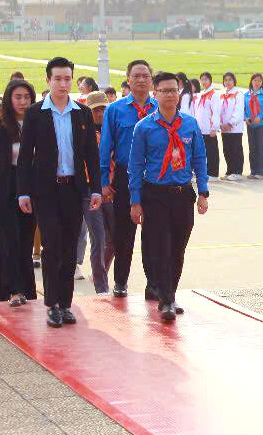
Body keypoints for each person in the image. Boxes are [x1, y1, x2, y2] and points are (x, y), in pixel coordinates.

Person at [17, 56, 102, 328]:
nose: (63, 84)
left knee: (68, 248)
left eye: (67, 79)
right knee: (51, 246)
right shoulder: (35, 113)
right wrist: (23, 192)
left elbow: (91, 154)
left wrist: (96, 189)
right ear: (48, 80)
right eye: (57, 79)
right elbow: (25, 157)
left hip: (73, 190)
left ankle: (66, 304)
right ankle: (51, 303)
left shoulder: (82, 113)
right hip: (46, 190)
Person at [128, 72, 210, 322]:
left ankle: (169, 294)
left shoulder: (189, 124)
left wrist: (203, 192)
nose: (170, 95)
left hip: (183, 193)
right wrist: (135, 201)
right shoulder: (144, 127)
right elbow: (135, 165)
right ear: (155, 94)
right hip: (155, 194)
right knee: (160, 248)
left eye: (174, 90)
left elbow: (199, 159)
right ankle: (166, 300)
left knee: (178, 249)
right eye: (164, 91)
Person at [0, 79, 38, 306]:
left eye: (27, 97)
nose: (23, 102)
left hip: (31, 187)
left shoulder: (37, 124)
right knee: (9, 239)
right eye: (18, 97)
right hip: (5, 188)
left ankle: (27, 288)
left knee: (26, 240)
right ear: (9, 99)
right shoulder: (0, 128)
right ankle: (13, 289)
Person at [100, 59, 156, 297]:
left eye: (145, 75)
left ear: (151, 79)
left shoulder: (160, 107)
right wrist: (104, 181)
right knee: (124, 233)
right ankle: (120, 282)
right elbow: (105, 147)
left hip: (154, 177)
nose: (141, 80)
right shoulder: (115, 110)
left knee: (155, 233)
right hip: (124, 176)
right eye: (137, 76)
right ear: (128, 79)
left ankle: (154, 284)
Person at [76, 90, 111, 294]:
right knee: (98, 237)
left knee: (114, 238)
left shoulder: (112, 130)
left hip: (112, 188)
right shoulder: (84, 133)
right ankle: (101, 287)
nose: (99, 114)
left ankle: (103, 275)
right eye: (95, 110)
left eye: (103, 109)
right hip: (90, 189)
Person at [191, 72, 221, 180]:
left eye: (205, 79)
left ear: (210, 81)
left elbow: (216, 112)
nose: (203, 82)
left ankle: (213, 173)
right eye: (202, 80)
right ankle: (206, 171)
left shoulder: (213, 94)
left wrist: (214, 128)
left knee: (212, 151)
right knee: (203, 152)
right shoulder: (202, 94)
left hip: (209, 129)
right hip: (201, 128)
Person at [245, 73, 263, 179]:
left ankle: (261, 172)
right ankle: (253, 171)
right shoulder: (246, 95)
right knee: (252, 148)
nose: (257, 83)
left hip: (261, 125)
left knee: (261, 148)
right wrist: (246, 117)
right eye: (255, 80)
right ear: (251, 82)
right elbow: (243, 109)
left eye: (259, 81)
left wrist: (260, 117)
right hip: (251, 125)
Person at [218, 72, 246, 180]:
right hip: (224, 128)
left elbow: (238, 111)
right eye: (225, 80)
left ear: (234, 81)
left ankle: (237, 172)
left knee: (236, 149)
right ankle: (230, 170)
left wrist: (231, 123)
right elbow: (219, 110)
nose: (227, 82)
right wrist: (221, 124)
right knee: (227, 150)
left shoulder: (238, 94)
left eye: (230, 80)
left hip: (234, 128)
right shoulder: (222, 94)